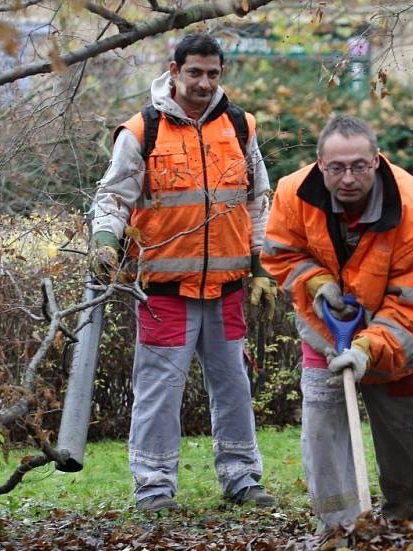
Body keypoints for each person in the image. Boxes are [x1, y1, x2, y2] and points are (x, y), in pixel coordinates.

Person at [88, 32, 277, 512]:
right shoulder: (140, 131)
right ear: (174, 71)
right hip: (164, 288)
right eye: (194, 72)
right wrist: (106, 241)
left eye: (213, 73)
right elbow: (112, 198)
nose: (203, 82)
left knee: (233, 385)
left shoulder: (240, 126)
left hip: (228, 286)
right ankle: (153, 485)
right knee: (158, 389)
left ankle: (242, 477)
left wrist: (260, 267)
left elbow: (259, 202)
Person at [262, 115, 413, 529]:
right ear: (319, 164)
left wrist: (366, 348)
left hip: (399, 345)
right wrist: (315, 281)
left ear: (376, 161)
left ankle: (405, 521)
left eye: (359, 166)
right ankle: (341, 534)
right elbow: (279, 252)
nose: (348, 178)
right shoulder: (293, 193)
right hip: (326, 335)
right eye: (337, 167)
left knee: (411, 445)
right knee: (324, 439)